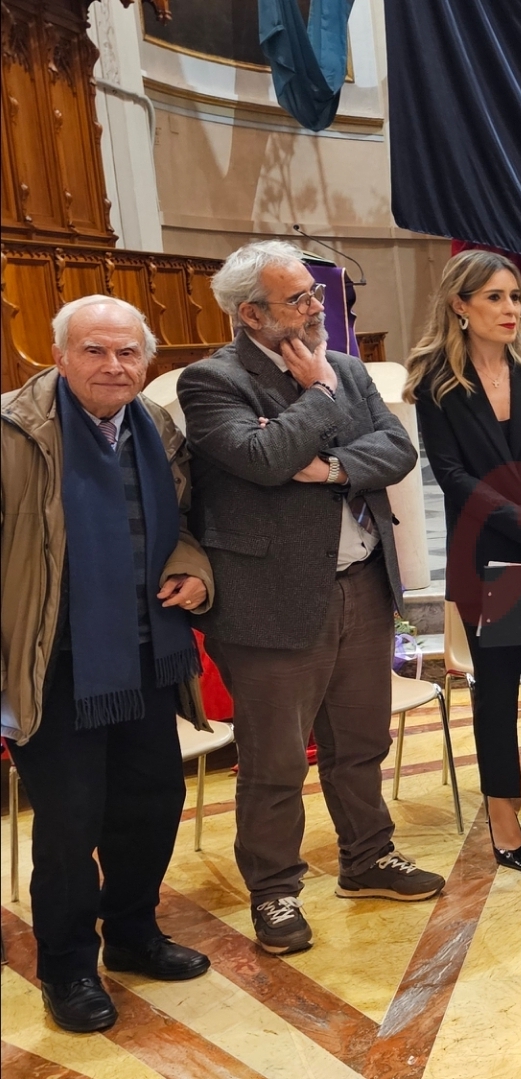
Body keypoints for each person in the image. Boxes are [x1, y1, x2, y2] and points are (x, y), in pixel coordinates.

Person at [180, 240, 443, 956]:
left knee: (360, 743)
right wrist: (320, 397)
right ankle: (274, 891)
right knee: (275, 763)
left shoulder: (347, 367)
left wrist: (329, 467)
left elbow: (397, 452)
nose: (315, 306)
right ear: (250, 314)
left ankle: (367, 857)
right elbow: (263, 459)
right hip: (269, 601)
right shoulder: (212, 381)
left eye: (314, 293)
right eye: (298, 298)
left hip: (361, 584)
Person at [1, 297, 215, 1032]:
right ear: (58, 355)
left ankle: (131, 932)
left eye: (127, 352)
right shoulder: (15, 431)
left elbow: (185, 525)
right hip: (53, 662)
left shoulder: (157, 429)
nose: (112, 366)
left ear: (146, 362)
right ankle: (65, 967)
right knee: (69, 823)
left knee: (150, 804)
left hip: (146, 654)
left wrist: (192, 571)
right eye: (94, 350)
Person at [406, 250, 521, 869]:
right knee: (496, 689)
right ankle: (502, 806)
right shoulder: (437, 382)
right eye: (495, 298)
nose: (511, 310)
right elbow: (452, 476)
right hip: (483, 550)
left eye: (515, 297)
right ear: (460, 305)